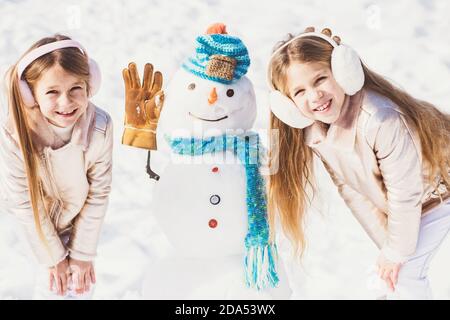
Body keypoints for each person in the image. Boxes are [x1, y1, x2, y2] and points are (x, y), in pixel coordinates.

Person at [267, 26, 450, 299]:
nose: (314, 95)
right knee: (393, 274)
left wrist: (396, 252)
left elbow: (404, 193)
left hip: (439, 192)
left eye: (320, 79)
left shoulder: (380, 119)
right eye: (299, 92)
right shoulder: (317, 134)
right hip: (418, 205)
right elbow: (353, 190)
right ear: (288, 105)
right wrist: (387, 247)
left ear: (343, 73)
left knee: (407, 271)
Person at [0, 34, 113, 299]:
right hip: (37, 227)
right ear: (30, 95)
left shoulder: (99, 127)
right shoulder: (15, 133)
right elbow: (24, 203)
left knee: (82, 286)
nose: (66, 102)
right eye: (52, 92)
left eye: (76, 88)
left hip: (80, 218)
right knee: (53, 286)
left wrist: (83, 254)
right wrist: (54, 258)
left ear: (90, 84)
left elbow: (99, 192)